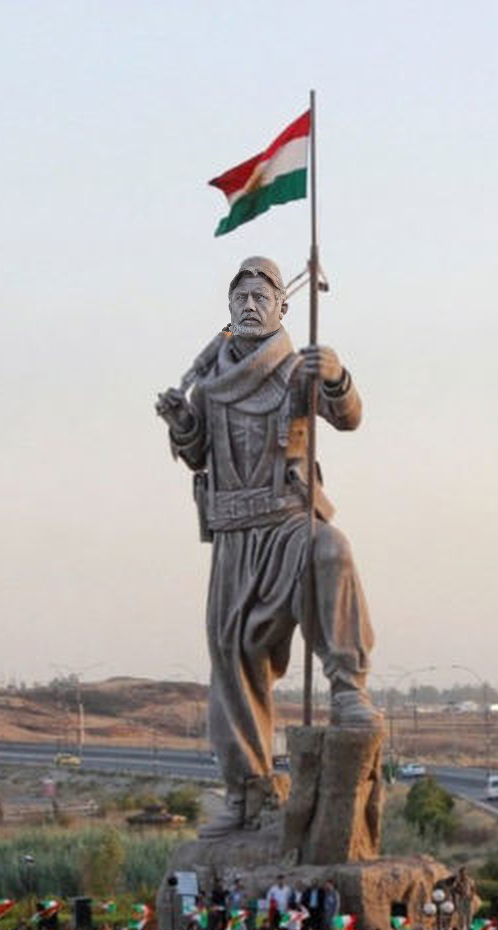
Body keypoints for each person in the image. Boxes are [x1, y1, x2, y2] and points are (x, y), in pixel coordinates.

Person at [156, 256, 381, 833]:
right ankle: (248, 792)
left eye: (262, 296)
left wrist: (335, 375)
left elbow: (349, 417)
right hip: (234, 535)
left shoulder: (297, 368)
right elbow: (199, 454)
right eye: (241, 298)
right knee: (233, 664)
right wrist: (181, 421)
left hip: (287, 520)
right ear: (229, 309)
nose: (251, 305)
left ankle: (348, 688)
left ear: (283, 305)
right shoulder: (210, 382)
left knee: (333, 551)